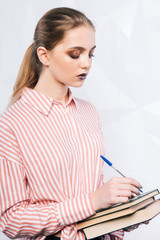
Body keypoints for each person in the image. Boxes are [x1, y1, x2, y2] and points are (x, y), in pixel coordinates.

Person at [0, 7, 142, 240]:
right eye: (75, 54)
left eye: (90, 54)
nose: (86, 64)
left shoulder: (88, 112)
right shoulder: (12, 124)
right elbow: (12, 220)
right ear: (44, 55)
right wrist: (92, 201)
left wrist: (123, 214)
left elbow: (97, 195)